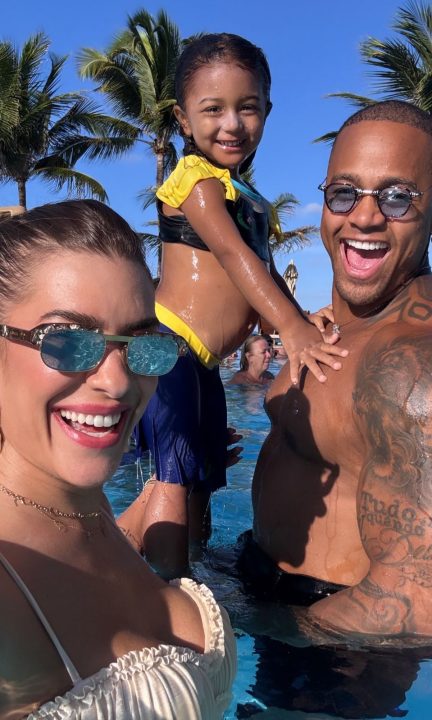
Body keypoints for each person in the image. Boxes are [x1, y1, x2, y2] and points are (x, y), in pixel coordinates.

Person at [0, 200, 236, 719]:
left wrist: (160, 491)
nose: (118, 381)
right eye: (66, 341)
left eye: (141, 342)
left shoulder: (89, 511)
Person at [129, 32, 346, 580]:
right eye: (213, 109)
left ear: (267, 111)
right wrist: (291, 328)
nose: (232, 123)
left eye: (247, 107)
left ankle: (194, 568)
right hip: (170, 347)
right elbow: (233, 256)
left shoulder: (246, 197)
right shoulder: (195, 181)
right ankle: (168, 591)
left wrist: (301, 315)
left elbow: (265, 269)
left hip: (200, 361)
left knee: (203, 473)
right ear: (183, 120)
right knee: (174, 477)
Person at [242, 99, 432, 638]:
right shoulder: (328, 331)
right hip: (264, 584)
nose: (364, 216)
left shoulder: (413, 365)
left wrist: (261, 632)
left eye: (398, 197)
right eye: (344, 192)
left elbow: (416, 602)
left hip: (333, 650)